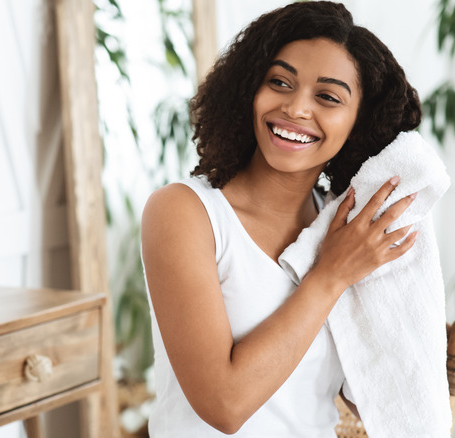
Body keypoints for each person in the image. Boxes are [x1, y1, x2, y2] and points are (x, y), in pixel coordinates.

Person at [141, 2, 422, 436]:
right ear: (249, 88)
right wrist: (330, 276)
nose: (295, 108)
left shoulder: (343, 228)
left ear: (358, 124)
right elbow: (224, 404)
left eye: (327, 96)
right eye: (279, 82)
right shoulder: (184, 213)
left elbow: (376, 396)